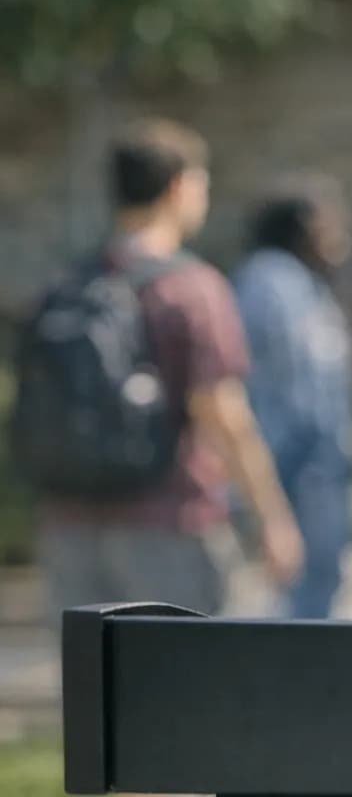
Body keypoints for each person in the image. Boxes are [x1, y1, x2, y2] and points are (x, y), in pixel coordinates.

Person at [35, 119, 303, 617]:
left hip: (69, 521)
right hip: (170, 522)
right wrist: (273, 518)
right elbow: (222, 413)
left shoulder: (68, 282)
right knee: (189, 685)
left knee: (92, 685)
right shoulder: (191, 288)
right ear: (178, 186)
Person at [234, 175, 352, 619]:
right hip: (296, 460)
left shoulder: (304, 282)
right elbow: (278, 383)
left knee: (321, 579)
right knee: (303, 584)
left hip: (317, 460)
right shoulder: (269, 281)